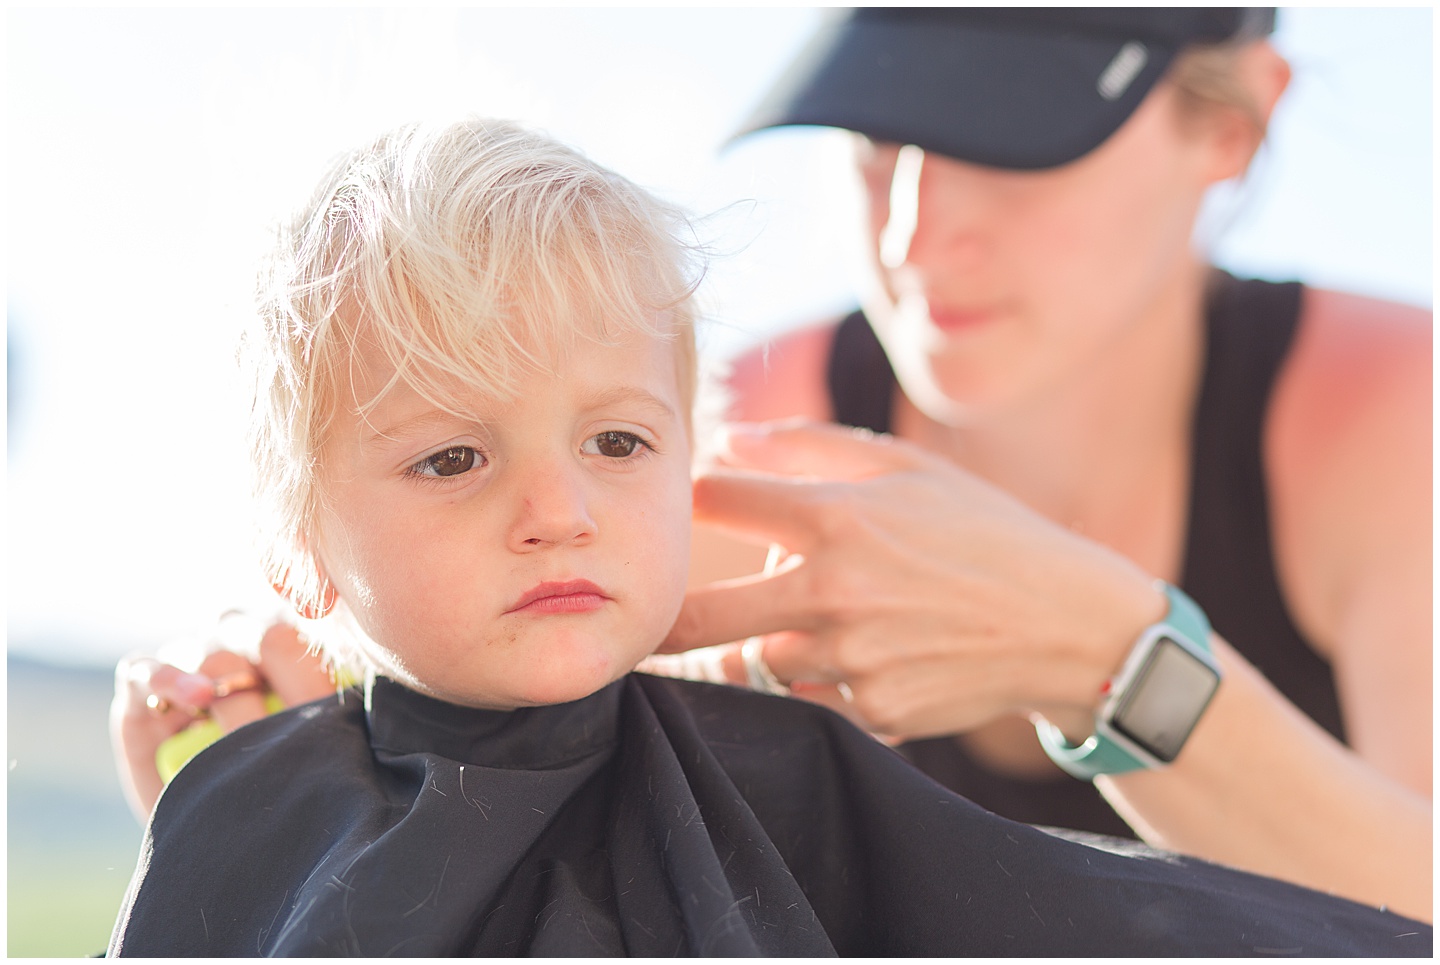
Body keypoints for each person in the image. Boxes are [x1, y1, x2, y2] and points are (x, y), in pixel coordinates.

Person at [113, 6, 1432, 923]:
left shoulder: (1390, 418)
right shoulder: (715, 441)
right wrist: (307, 759)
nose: (919, 226)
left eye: (1008, 139)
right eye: (881, 137)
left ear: (1236, 126)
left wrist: (1106, 654)